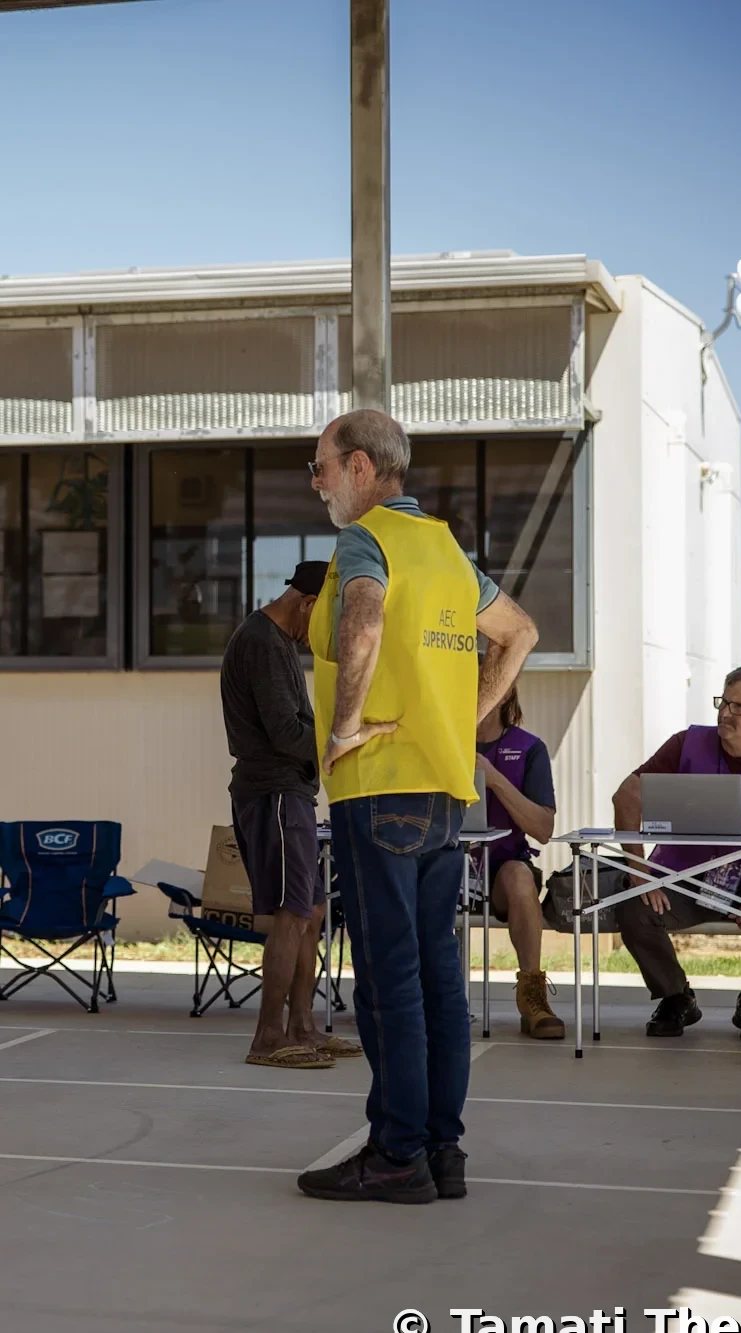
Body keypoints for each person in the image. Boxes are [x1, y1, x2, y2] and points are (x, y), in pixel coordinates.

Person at [297, 409, 539, 1205]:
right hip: (444, 792)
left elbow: (361, 623)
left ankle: (397, 1151)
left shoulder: (366, 540)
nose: (318, 482)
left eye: (323, 466)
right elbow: (521, 632)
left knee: (388, 981)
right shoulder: (444, 550)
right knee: (439, 978)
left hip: (380, 785)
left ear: (362, 467)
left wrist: (344, 727)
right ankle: (442, 1149)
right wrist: (461, 716)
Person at [611, 666, 741, 1043]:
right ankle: (676, 998)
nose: (725, 713)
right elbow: (626, 796)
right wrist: (640, 873)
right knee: (632, 906)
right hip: (685, 880)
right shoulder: (684, 745)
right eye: (723, 703)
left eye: (738, 707)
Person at [220, 560, 359, 1070]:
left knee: (311, 912)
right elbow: (286, 733)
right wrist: (345, 739)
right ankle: (268, 1037)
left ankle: (302, 1026)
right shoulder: (262, 643)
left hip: (288, 793)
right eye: (325, 619)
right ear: (307, 604)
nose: (324, 634)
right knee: (292, 913)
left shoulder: (275, 642)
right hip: (275, 794)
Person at [475, 687, 562, 1040]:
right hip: (441, 861)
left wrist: (493, 778)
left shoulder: (529, 748)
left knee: (519, 877)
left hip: (500, 868)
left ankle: (532, 997)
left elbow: (542, 828)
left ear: (503, 694)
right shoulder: (437, 740)